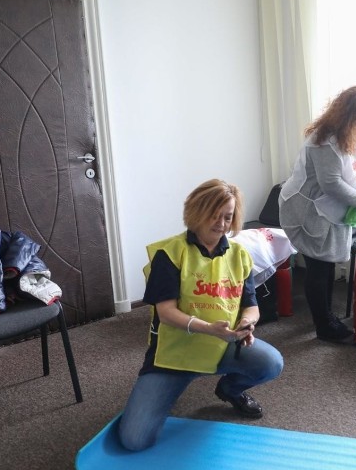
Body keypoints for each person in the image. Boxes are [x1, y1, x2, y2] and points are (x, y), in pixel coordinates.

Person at [118, 179, 284, 451]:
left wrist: (247, 323)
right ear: (196, 212)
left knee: (270, 363)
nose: (220, 223)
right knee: (135, 440)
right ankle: (174, 385)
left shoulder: (239, 255)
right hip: (175, 355)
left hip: (222, 345)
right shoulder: (170, 253)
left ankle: (229, 390)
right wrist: (209, 328)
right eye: (213, 215)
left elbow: (251, 305)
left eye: (227, 217)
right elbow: (166, 312)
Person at [279, 85, 356, 342]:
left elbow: (350, 173)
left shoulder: (345, 137)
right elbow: (331, 183)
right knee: (318, 267)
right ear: (351, 116)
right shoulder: (324, 142)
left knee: (324, 266)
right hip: (306, 210)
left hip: (326, 209)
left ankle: (325, 317)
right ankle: (324, 326)